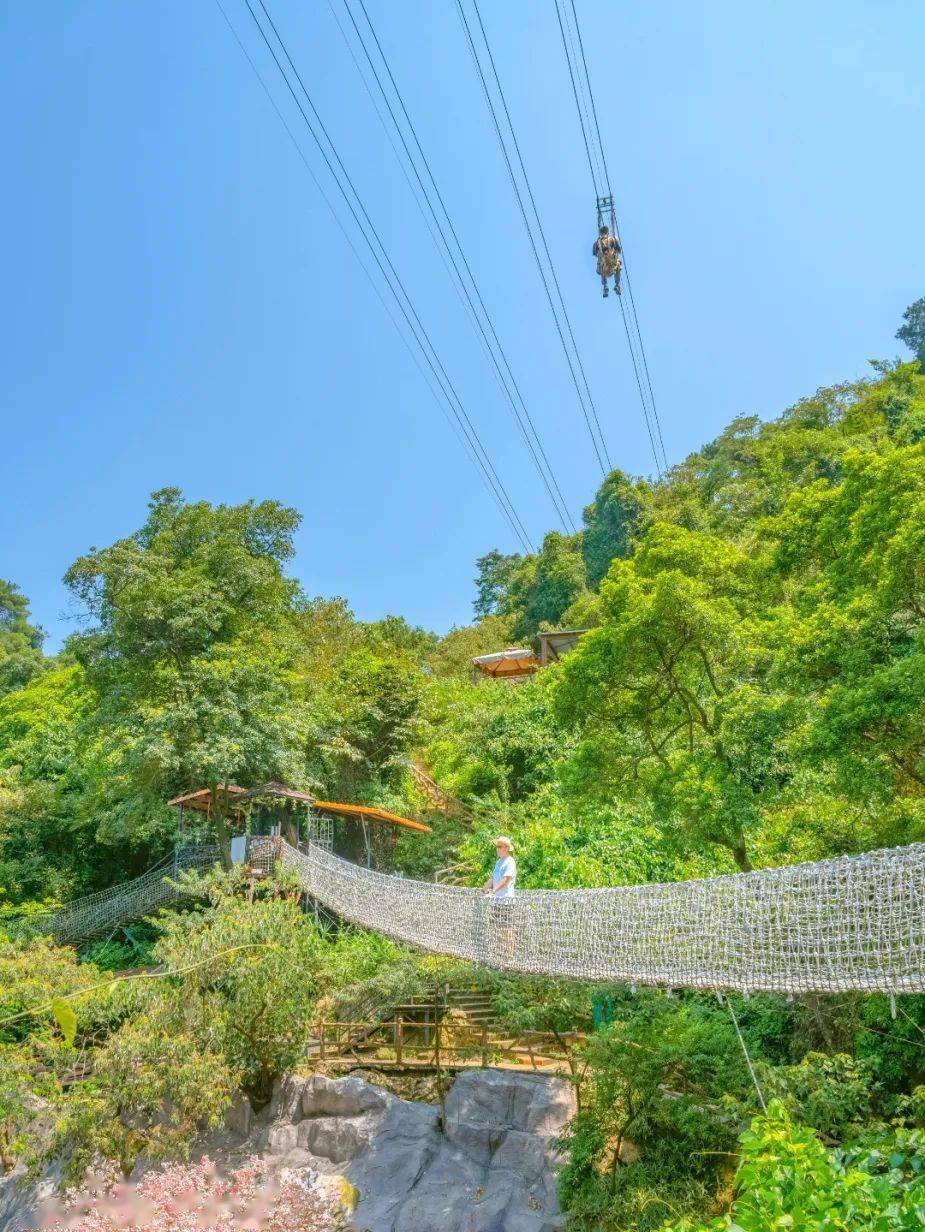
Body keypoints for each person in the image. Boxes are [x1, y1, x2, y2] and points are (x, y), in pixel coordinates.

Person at [483, 836, 517, 960]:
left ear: (507, 848)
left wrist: (493, 891)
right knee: (496, 927)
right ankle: (500, 953)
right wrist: (484, 889)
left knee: (506, 928)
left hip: (506, 901)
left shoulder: (510, 862)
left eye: (499, 847)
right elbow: (493, 878)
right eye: (496, 847)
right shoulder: (498, 862)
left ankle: (509, 956)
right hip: (496, 900)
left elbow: (505, 880)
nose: (497, 849)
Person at [593, 225, 622, 298]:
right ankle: (617, 285)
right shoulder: (612, 239)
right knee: (618, 264)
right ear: (607, 232)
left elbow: (594, 253)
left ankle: (605, 286)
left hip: (604, 269)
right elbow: (619, 250)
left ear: (600, 233)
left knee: (600, 264)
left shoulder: (597, 242)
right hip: (612, 267)